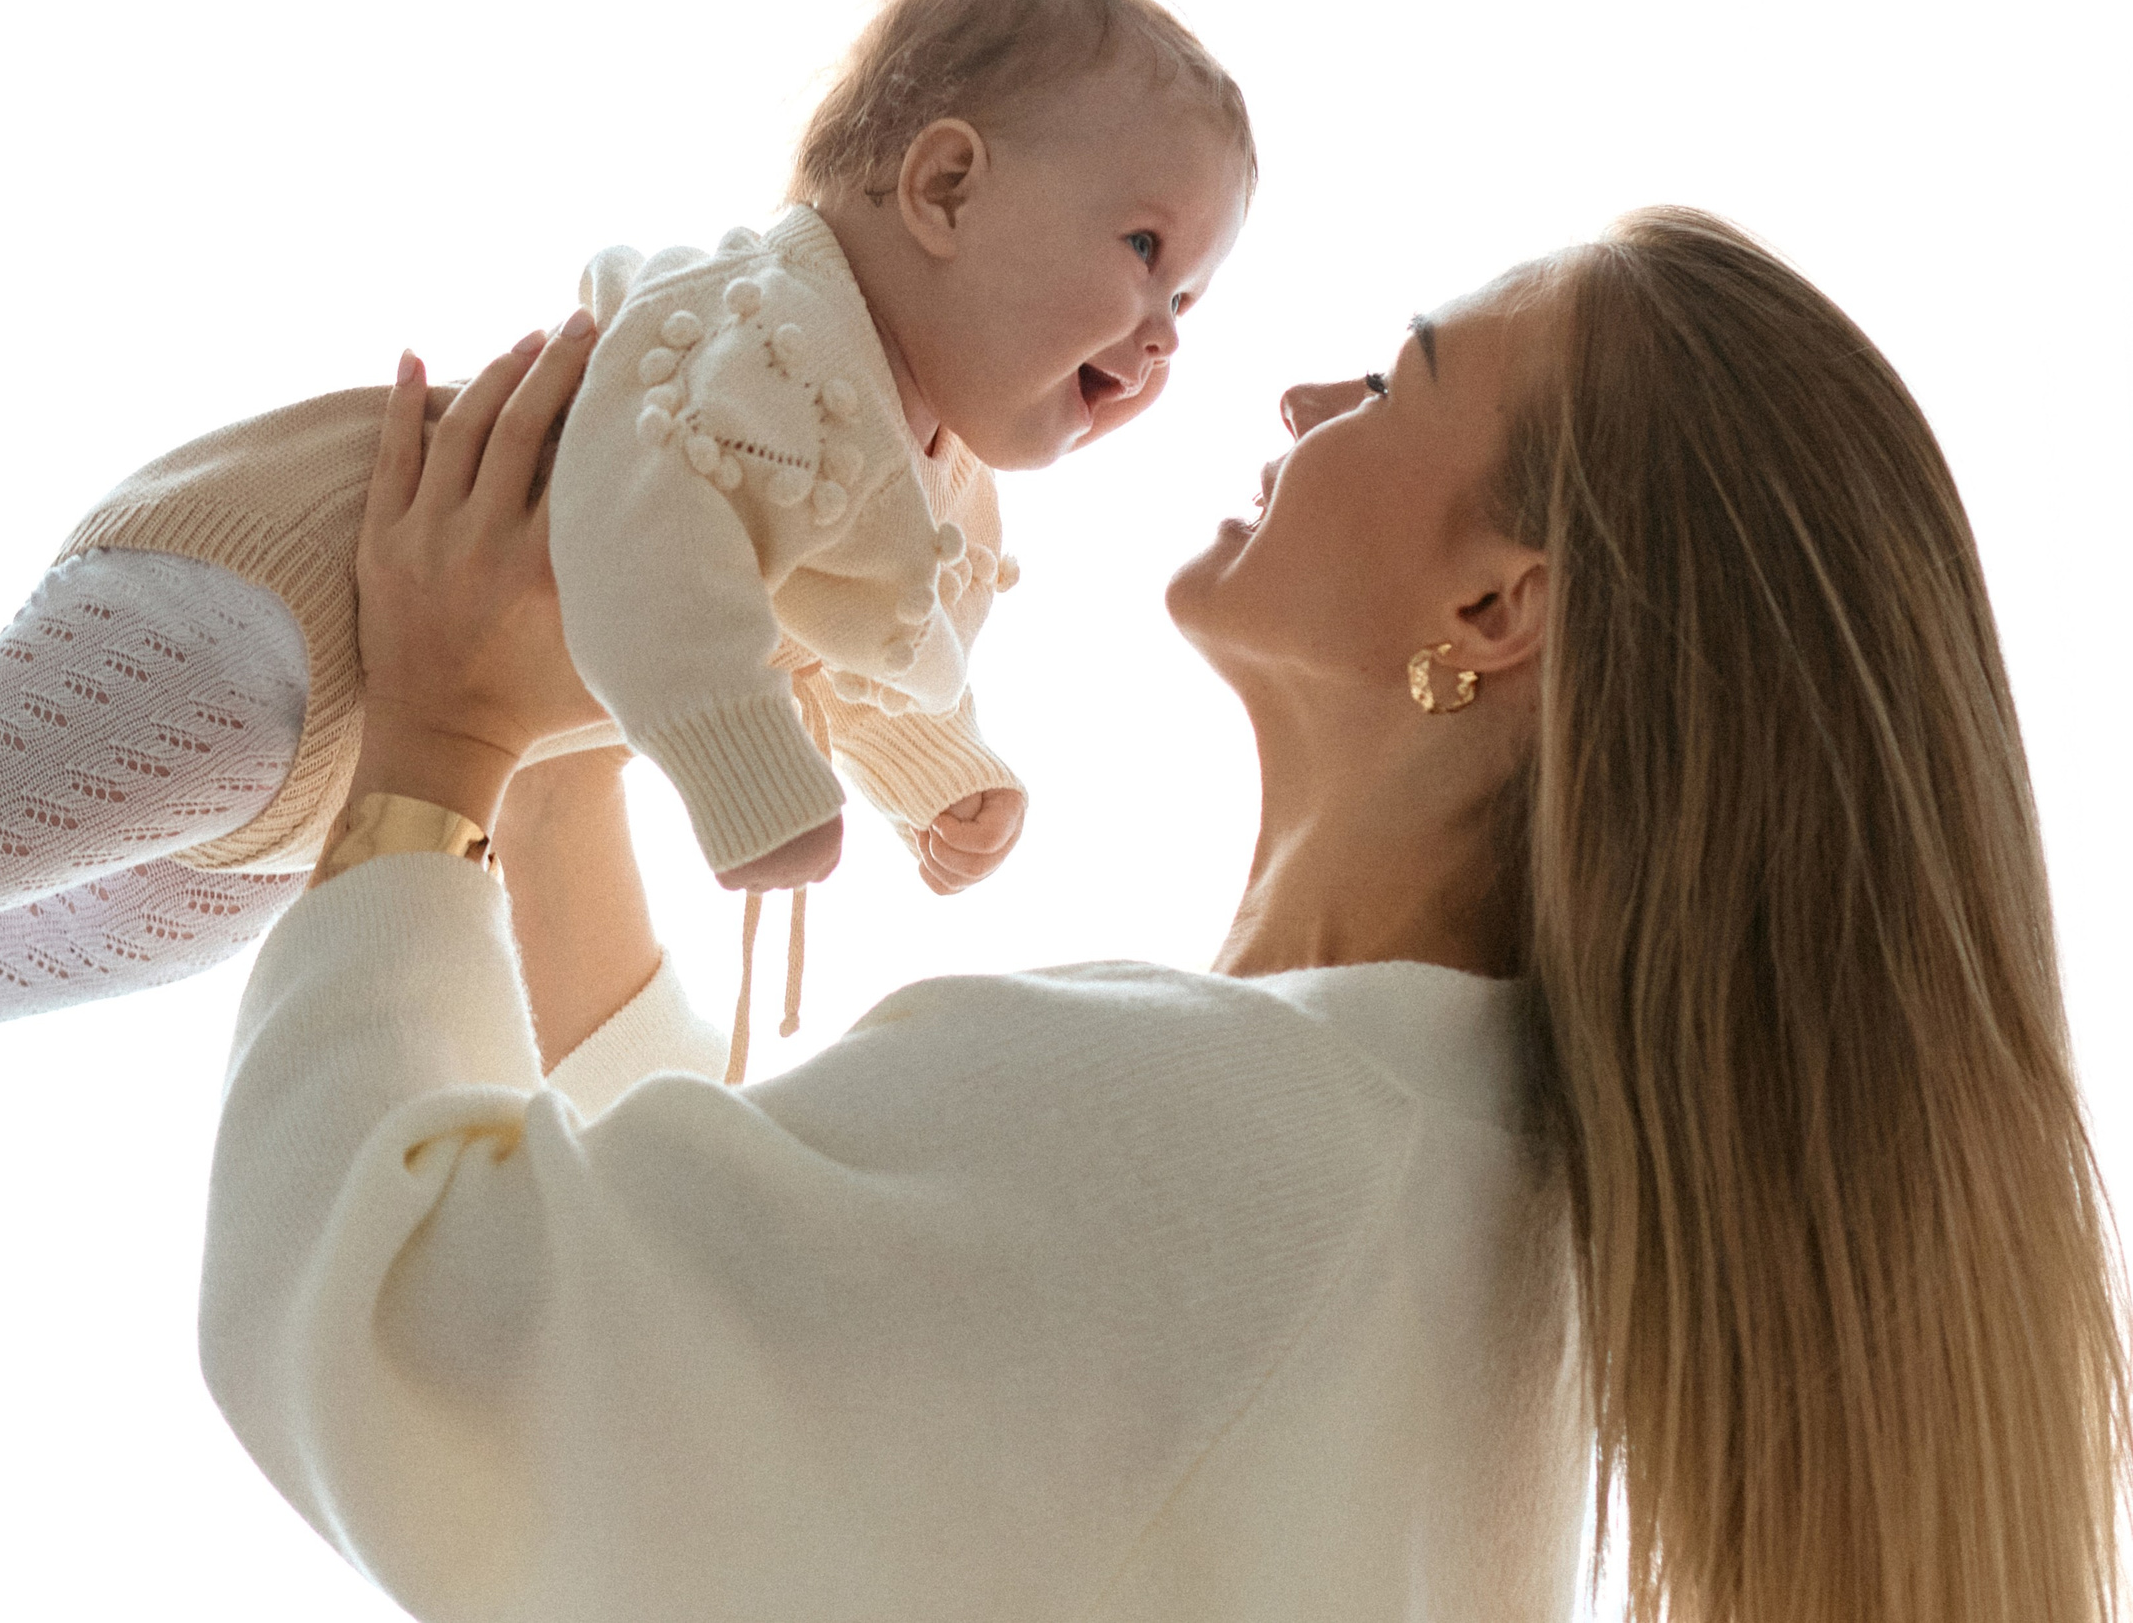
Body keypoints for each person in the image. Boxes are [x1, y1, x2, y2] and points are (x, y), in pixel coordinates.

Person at [200, 208, 2129, 1621]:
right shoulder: (1455, 1205)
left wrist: (435, 752)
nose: (1303, 392)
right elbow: (738, 1319)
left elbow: (413, 1335)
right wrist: (564, 751)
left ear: (1496, 610)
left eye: (1396, 379)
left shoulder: (1220, 1139)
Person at [0, 0, 1254, 1204]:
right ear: (945, 187)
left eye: (1194, 299)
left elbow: (847, 659)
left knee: (159, 928)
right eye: (1145, 251)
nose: (1169, 331)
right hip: (272, 601)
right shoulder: (750, 335)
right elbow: (650, 554)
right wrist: (748, 786)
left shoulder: (932, 488)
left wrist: (937, 782)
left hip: (392, 729)